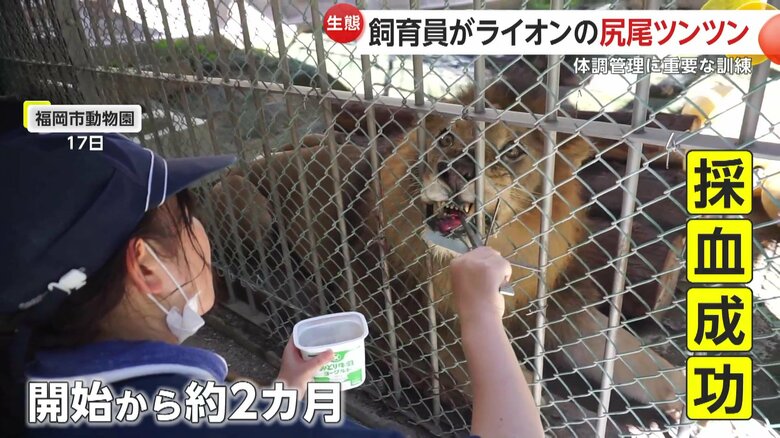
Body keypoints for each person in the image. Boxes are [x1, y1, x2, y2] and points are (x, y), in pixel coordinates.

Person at [0, 113, 544, 437]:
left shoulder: (31, 361)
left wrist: (282, 394)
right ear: (147, 267)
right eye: (188, 215)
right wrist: (480, 318)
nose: (203, 231)